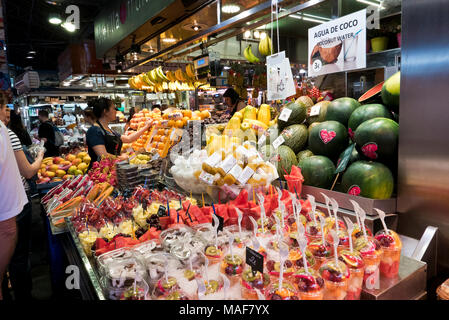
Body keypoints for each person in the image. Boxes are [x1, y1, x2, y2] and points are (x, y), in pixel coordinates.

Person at [0, 101, 29, 300]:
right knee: (19, 257)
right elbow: (27, 171)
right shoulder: (6, 135)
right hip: (11, 212)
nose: (7, 111)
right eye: (4, 107)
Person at [85, 98, 151, 169]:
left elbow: (129, 139)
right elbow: (103, 155)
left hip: (112, 170)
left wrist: (146, 126)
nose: (116, 111)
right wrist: (121, 158)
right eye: (113, 108)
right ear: (105, 111)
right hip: (99, 174)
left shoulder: (109, 130)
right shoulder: (94, 131)